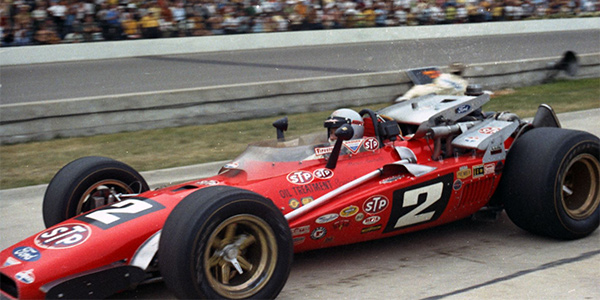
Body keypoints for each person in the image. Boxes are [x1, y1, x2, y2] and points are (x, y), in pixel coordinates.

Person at [395, 62, 469, 102]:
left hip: (436, 93)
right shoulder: (464, 83)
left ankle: (405, 98)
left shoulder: (444, 76)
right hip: (449, 97)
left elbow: (436, 83)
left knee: (417, 88)